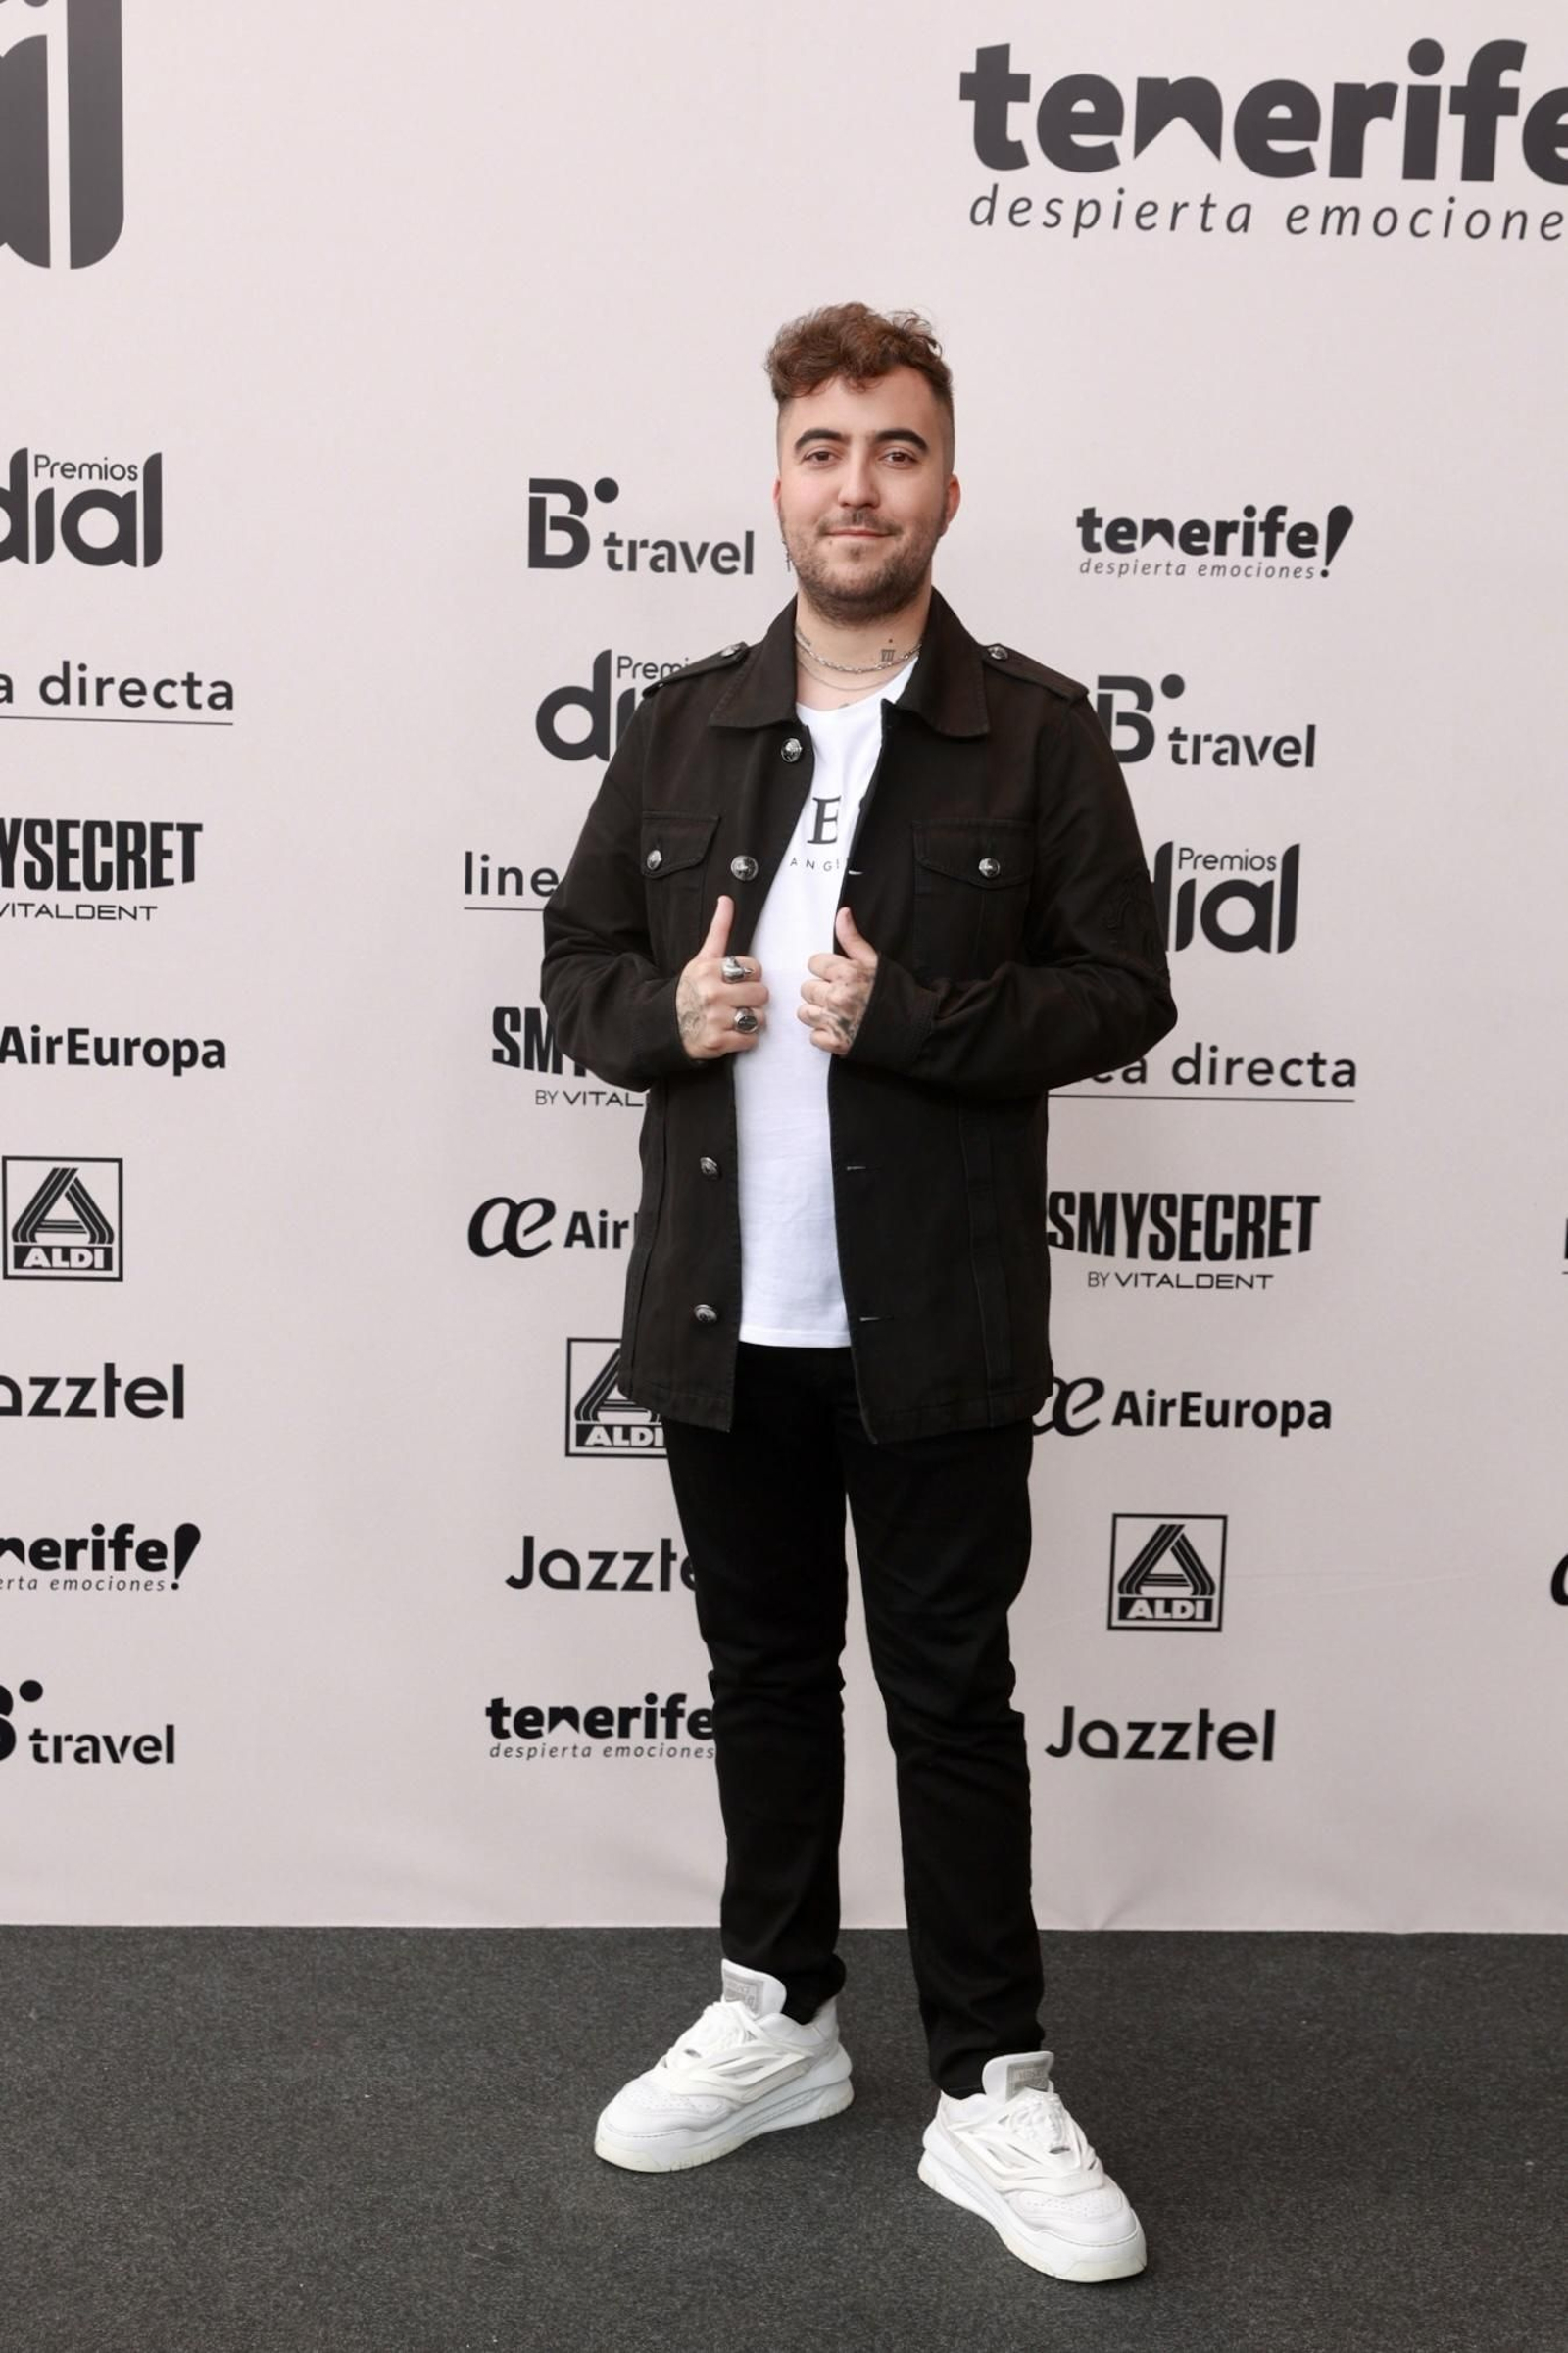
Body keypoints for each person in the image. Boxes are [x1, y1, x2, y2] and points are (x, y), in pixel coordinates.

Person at [540, 303, 1176, 2284]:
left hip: (938, 1322)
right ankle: (779, 2013)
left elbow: (1122, 989)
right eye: (823, 447)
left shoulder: (1036, 730)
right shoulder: (682, 724)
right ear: (778, 480)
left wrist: (922, 1019)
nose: (856, 484)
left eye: (894, 450)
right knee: (759, 1683)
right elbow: (572, 969)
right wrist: (674, 1010)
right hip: (726, 1320)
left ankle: (992, 2083)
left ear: (945, 487)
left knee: (949, 1699)